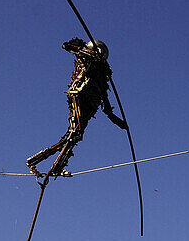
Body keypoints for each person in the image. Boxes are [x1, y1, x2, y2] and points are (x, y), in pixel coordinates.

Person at [27, 38, 129, 177]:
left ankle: (36, 161)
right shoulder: (86, 57)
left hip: (91, 106)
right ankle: (52, 166)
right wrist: (86, 51)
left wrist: (119, 123)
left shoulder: (102, 74)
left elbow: (106, 104)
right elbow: (67, 46)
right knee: (75, 132)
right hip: (79, 95)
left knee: (74, 135)